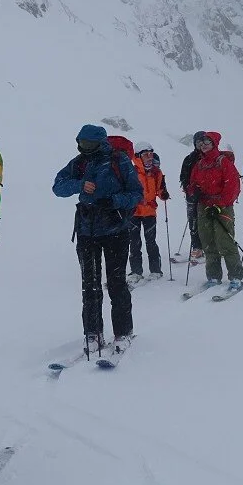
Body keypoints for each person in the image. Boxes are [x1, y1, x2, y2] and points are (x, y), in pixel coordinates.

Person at [52, 124, 142, 352]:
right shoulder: (79, 162)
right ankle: (93, 333)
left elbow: (136, 194)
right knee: (89, 286)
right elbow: (57, 187)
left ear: (100, 142)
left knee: (116, 283)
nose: (84, 148)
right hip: (86, 232)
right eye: (81, 143)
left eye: (88, 144)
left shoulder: (119, 161)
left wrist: (113, 201)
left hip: (116, 231)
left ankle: (123, 332)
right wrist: (79, 184)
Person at [186, 132, 243, 291]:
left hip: (222, 206)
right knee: (208, 242)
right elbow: (192, 184)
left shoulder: (223, 162)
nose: (203, 144)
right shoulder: (199, 164)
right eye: (201, 142)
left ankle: (236, 276)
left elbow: (232, 186)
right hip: (204, 206)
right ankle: (213, 276)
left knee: (224, 240)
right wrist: (193, 191)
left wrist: (220, 204)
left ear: (214, 143)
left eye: (207, 141)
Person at [129, 142, 170, 281]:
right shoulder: (131, 171)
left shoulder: (156, 172)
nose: (149, 157)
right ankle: (136, 271)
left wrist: (163, 193)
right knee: (134, 242)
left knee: (150, 241)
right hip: (133, 212)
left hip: (150, 212)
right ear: (138, 156)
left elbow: (159, 190)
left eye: (151, 154)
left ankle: (156, 270)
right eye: (145, 154)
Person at [179, 131, 209, 261]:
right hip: (192, 196)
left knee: (208, 221)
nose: (200, 144)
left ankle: (209, 246)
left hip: (208, 196)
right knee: (193, 222)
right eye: (198, 142)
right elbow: (183, 177)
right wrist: (189, 189)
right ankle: (197, 247)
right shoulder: (189, 159)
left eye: (203, 142)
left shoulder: (211, 158)